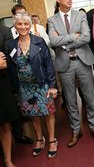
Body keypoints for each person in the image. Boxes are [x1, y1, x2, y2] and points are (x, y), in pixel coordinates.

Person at [48, 0, 94, 147]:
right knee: (70, 100)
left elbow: (86, 37)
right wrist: (73, 36)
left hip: (83, 62)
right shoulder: (52, 20)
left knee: (89, 97)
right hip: (65, 65)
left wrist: (65, 42)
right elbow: (52, 41)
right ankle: (76, 130)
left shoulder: (80, 15)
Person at [7, 13, 58, 158]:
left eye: (26, 23)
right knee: (33, 114)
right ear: (15, 26)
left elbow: (48, 64)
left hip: (41, 84)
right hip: (24, 87)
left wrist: (52, 85)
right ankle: (40, 139)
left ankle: (53, 140)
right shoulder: (11, 45)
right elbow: (11, 69)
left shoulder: (39, 41)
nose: (23, 26)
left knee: (47, 112)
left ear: (30, 25)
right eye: (20, 24)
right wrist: (15, 89)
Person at [9, 4, 34, 145]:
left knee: (44, 111)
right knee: (28, 114)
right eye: (19, 20)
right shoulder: (11, 39)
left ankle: (51, 139)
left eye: (25, 18)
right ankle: (35, 138)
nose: (22, 24)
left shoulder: (37, 39)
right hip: (21, 83)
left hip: (37, 81)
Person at [0, 25, 19, 167]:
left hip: (1, 82)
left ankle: (8, 160)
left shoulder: (3, 30)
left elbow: (9, 55)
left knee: (5, 124)